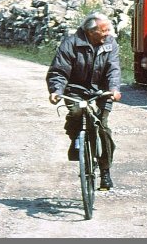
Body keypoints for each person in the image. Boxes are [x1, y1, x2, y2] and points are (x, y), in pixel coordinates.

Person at [47, 12, 123, 190]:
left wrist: (114, 89)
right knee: (76, 112)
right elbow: (59, 71)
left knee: (102, 127)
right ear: (91, 31)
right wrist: (56, 90)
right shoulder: (70, 44)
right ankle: (76, 139)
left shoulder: (110, 43)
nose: (108, 33)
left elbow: (113, 69)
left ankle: (105, 171)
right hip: (75, 89)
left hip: (102, 90)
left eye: (108, 30)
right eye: (104, 30)